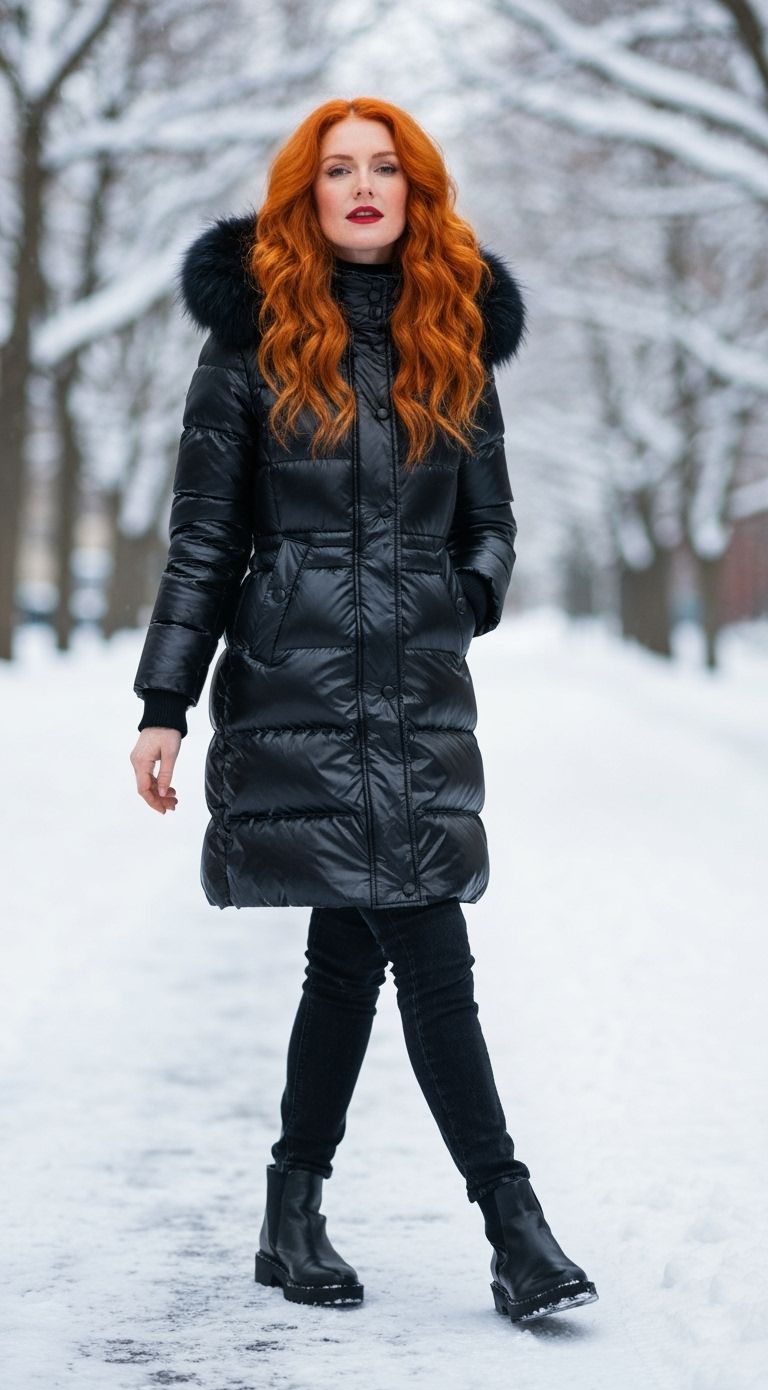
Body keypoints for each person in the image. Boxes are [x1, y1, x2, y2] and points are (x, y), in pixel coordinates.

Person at [129, 97, 598, 1325]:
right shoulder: (252, 345)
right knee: (431, 956)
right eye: (337, 169)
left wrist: (462, 595)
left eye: (383, 167)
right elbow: (205, 537)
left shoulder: (458, 335)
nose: (362, 186)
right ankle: (514, 1222)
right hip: (299, 686)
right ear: (308, 193)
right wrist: (163, 695)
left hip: (420, 692)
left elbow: (491, 519)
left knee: (350, 963)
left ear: (416, 188)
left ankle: (291, 1211)